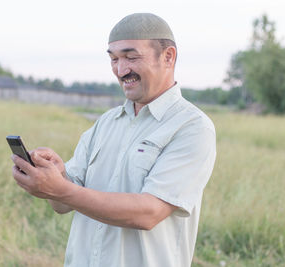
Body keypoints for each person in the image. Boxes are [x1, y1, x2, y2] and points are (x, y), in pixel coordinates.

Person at [11, 13, 216, 267]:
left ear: (168, 56)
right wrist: (57, 175)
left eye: (131, 57)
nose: (121, 70)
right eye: (114, 59)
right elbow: (62, 205)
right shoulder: (105, 123)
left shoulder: (192, 127)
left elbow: (149, 212)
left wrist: (62, 189)